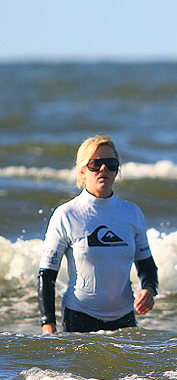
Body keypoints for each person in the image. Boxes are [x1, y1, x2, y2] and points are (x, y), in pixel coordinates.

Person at [38, 134, 158, 333]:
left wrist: (149, 290)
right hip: (79, 318)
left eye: (111, 164)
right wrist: (48, 326)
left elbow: (146, 264)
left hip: (124, 320)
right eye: (96, 164)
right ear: (82, 171)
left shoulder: (132, 212)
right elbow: (46, 275)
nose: (104, 169)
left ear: (117, 170)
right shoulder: (66, 214)